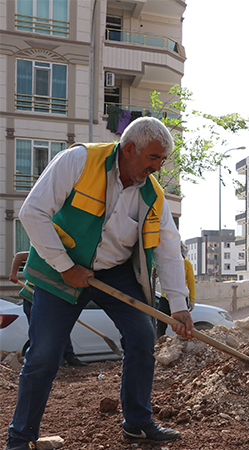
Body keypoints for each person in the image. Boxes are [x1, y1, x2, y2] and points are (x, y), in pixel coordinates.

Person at [5, 117, 193, 450]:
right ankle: (20, 439)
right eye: (153, 158)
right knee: (44, 355)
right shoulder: (79, 161)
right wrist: (65, 267)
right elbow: (32, 212)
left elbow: (168, 250)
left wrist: (178, 306)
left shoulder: (154, 195)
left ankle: (137, 423)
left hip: (115, 272)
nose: (157, 167)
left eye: (162, 161)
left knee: (141, 338)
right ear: (130, 148)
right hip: (60, 268)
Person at [8, 252, 87, 367]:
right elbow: (19, 256)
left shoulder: (64, 259)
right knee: (37, 330)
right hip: (31, 296)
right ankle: (39, 360)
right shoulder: (43, 252)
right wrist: (13, 274)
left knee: (60, 327)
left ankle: (69, 357)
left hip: (51, 296)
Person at [156, 243, 196, 338]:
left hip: (181, 298)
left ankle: (182, 340)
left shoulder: (187, 264)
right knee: (161, 323)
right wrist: (155, 270)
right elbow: (157, 275)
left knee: (182, 323)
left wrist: (192, 300)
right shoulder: (165, 262)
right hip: (165, 297)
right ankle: (159, 341)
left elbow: (191, 283)